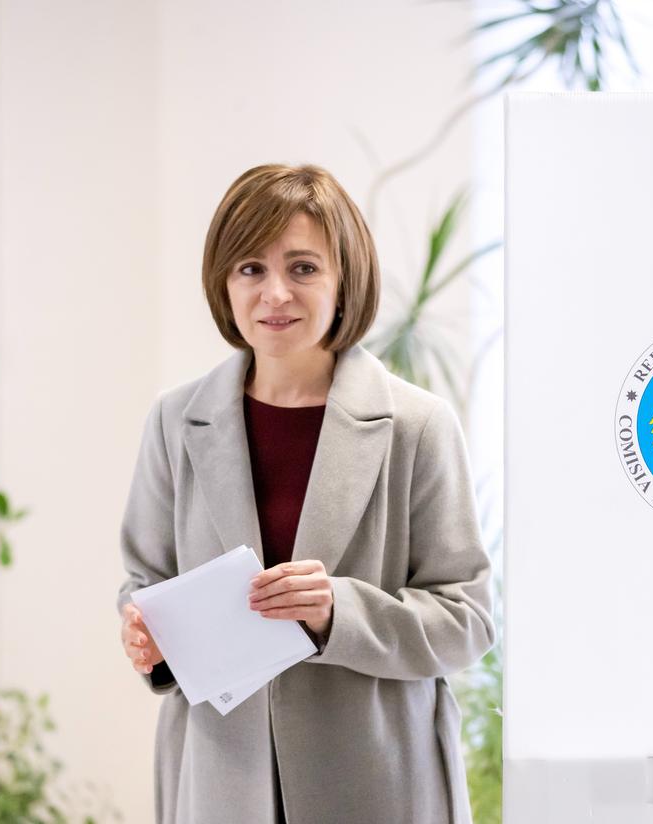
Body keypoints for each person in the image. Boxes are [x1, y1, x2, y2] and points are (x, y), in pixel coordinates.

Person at [116, 163, 496, 824]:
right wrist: (144, 635)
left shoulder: (417, 426)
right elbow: (144, 582)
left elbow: (468, 621)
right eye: (250, 269)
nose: (275, 295)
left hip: (377, 783)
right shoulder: (175, 422)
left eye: (303, 268)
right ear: (223, 283)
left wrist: (334, 614)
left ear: (345, 278)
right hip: (217, 781)